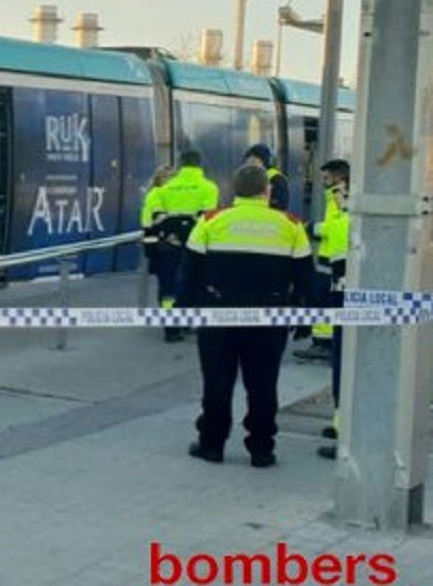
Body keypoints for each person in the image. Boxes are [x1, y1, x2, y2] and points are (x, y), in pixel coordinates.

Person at [181, 163, 312, 467]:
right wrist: (306, 318)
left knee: (217, 382)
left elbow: (188, 272)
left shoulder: (211, 221)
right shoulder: (291, 225)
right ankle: (261, 449)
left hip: (218, 318)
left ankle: (212, 444)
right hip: (269, 320)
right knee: (263, 385)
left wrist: (182, 313)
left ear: (233, 190)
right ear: (267, 191)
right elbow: (305, 277)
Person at [140, 151, 219, 343]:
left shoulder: (165, 189)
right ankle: (190, 321)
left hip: (169, 245)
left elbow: (155, 219)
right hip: (196, 246)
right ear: (200, 165)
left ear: (181, 165)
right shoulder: (209, 187)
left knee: (168, 287)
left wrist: (157, 244)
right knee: (196, 284)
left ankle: (171, 328)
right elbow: (208, 219)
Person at [312, 159, 352, 459]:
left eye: (327, 178)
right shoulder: (337, 199)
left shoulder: (345, 202)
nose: (324, 183)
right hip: (337, 279)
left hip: (345, 287)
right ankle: (340, 424)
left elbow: (343, 233)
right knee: (341, 361)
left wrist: (315, 229)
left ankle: (346, 431)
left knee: (345, 361)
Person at [243, 144, 291, 213]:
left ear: (263, 161)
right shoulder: (250, 176)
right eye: (248, 162)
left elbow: (280, 206)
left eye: (253, 161)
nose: (249, 165)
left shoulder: (276, 178)